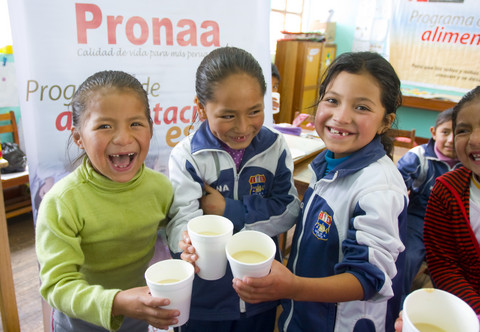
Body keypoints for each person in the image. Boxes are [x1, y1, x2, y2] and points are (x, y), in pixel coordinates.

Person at [232, 51, 408, 332]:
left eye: (361, 108)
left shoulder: (379, 188)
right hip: (306, 314)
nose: (340, 116)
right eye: (332, 100)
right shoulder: (330, 163)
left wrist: (294, 286)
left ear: (386, 122)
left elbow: (369, 278)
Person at [166, 46, 300, 331]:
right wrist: (185, 244)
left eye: (255, 111)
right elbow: (181, 220)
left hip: (260, 292)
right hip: (204, 299)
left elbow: (289, 210)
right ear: (201, 108)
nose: (242, 127)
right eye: (228, 116)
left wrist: (230, 210)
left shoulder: (274, 147)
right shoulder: (187, 156)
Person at [35, 70, 176, 331]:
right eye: (104, 126)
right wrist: (117, 302)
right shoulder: (61, 202)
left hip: (140, 318)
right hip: (79, 323)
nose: (123, 138)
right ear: (78, 138)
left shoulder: (161, 188)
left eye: (135, 123)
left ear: (150, 129)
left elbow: (179, 230)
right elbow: (57, 285)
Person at [423, 86, 480, 316]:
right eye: (464, 130)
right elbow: (443, 266)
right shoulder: (446, 190)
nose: (474, 140)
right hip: (463, 313)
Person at [396, 107, 460, 296]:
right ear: (433, 132)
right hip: (419, 219)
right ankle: (398, 307)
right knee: (408, 258)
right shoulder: (418, 156)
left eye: (459, 133)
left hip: (453, 224)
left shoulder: (469, 161)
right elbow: (397, 183)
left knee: (453, 269)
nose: (451, 140)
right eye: (445, 132)